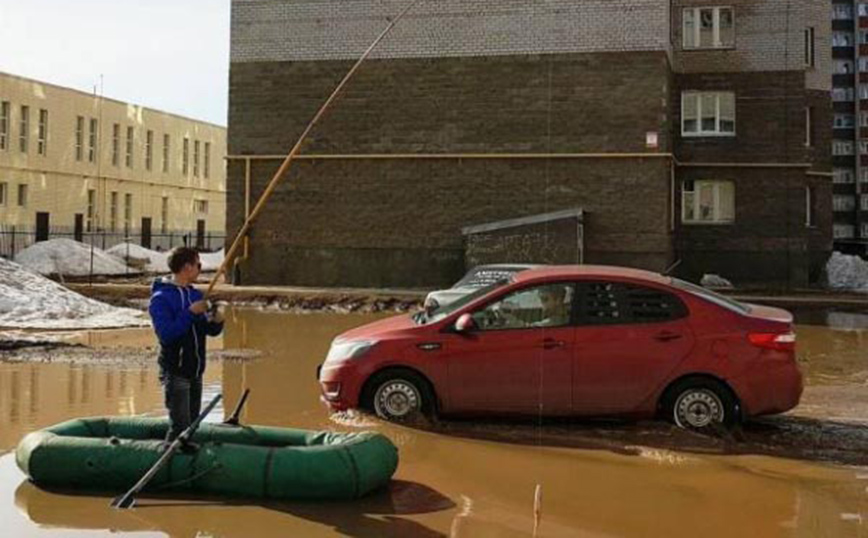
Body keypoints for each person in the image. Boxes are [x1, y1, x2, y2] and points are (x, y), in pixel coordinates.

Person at [149, 247, 224, 451]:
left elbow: (207, 330)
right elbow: (167, 334)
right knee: (180, 426)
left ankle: (189, 456)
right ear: (186, 267)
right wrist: (190, 312)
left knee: (192, 424)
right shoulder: (161, 298)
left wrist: (217, 320)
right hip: (176, 370)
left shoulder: (194, 294)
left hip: (195, 369)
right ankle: (170, 458)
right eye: (198, 265)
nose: (200, 269)